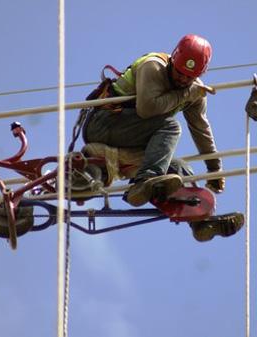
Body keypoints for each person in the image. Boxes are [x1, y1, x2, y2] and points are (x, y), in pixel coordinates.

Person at [83, 34, 243, 241]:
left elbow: (200, 128)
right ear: (173, 61)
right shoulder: (153, 67)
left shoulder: (194, 89)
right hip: (104, 124)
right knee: (171, 127)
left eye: (189, 77)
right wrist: (186, 94)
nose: (183, 79)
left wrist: (214, 169)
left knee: (179, 170)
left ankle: (200, 222)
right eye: (180, 73)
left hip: (130, 135)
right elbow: (147, 109)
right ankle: (144, 181)